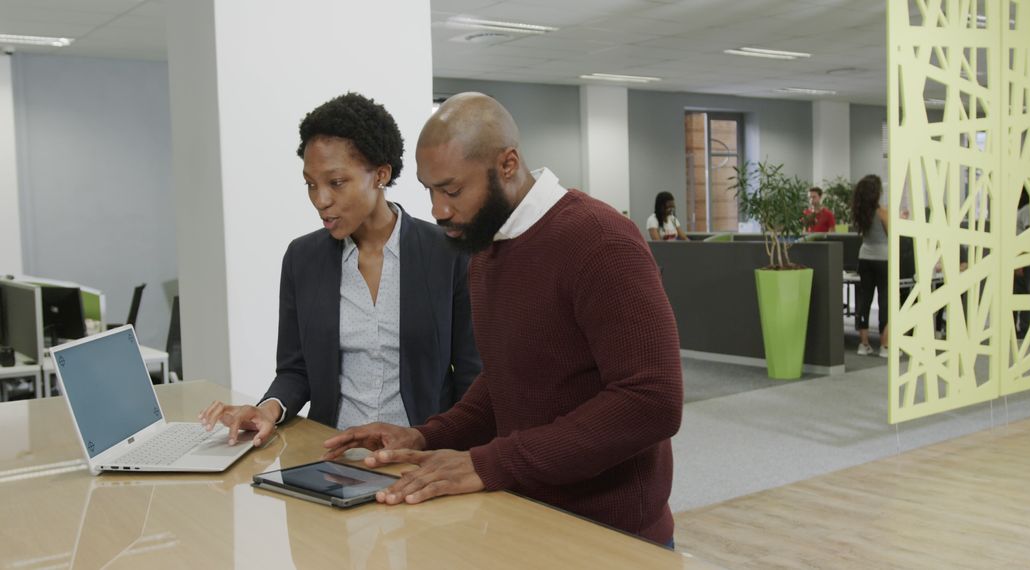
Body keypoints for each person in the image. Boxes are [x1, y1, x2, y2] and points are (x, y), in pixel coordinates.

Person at [322, 92, 684, 547]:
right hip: (527, 518)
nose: (437, 210)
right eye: (429, 190)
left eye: (452, 190)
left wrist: (491, 462)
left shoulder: (601, 241)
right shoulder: (488, 248)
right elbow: (506, 381)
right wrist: (424, 436)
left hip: (614, 536)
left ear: (508, 164)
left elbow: (652, 401)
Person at [199, 93, 481, 446]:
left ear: (381, 174)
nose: (321, 200)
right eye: (311, 184)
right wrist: (268, 409)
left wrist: (454, 453)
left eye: (336, 182)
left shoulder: (449, 253)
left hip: (419, 457)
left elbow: (473, 377)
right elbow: (295, 370)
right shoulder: (303, 258)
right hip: (331, 456)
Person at [852, 174, 888, 358]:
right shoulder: (882, 212)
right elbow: (892, 235)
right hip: (883, 259)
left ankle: (863, 344)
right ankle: (885, 346)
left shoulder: (860, 212)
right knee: (885, 301)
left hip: (864, 257)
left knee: (865, 300)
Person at [1014, 186, 1030, 339]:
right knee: (1016, 294)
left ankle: (1024, 328)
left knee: (1023, 294)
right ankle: (1015, 327)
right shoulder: (1021, 209)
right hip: (1016, 259)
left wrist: (1021, 261)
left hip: (1023, 260)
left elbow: (1029, 235)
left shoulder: (1027, 210)